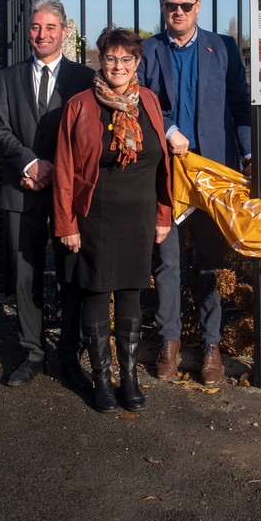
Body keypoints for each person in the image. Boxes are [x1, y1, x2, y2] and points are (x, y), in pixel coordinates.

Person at [137, 0, 252, 385]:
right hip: (167, 174)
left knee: (210, 261)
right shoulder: (149, 50)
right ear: (163, 6)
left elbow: (240, 103)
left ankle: (210, 345)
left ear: (198, 6)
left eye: (185, 5)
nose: (178, 13)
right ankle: (169, 341)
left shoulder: (222, 48)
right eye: (171, 6)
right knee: (167, 261)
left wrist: (249, 152)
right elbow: (141, 101)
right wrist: (169, 131)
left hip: (212, 175)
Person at [54, 27, 173, 412]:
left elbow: (162, 166)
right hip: (95, 215)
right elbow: (64, 168)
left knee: (131, 295)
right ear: (99, 61)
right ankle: (102, 379)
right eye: (110, 58)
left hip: (139, 215)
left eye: (126, 59)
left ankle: (130, 378)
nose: (118, 66)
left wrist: (162, 214)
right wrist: (66, 224)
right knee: (96, 292)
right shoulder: (81, 105)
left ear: (137, 63)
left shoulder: (150, 102)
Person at [0, 0, 95, 389]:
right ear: (28, 31)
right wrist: (32, 164)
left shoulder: (83, 78)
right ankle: (32, 351)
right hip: (22, 189)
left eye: (51, 28)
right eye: (36, 27)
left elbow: (87, 135)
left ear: (64, 32)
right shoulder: (9, 77)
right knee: (25, 274)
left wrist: (55, 170)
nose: (42, 35)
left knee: (70, 274)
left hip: (66, 194)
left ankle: (69, 356)